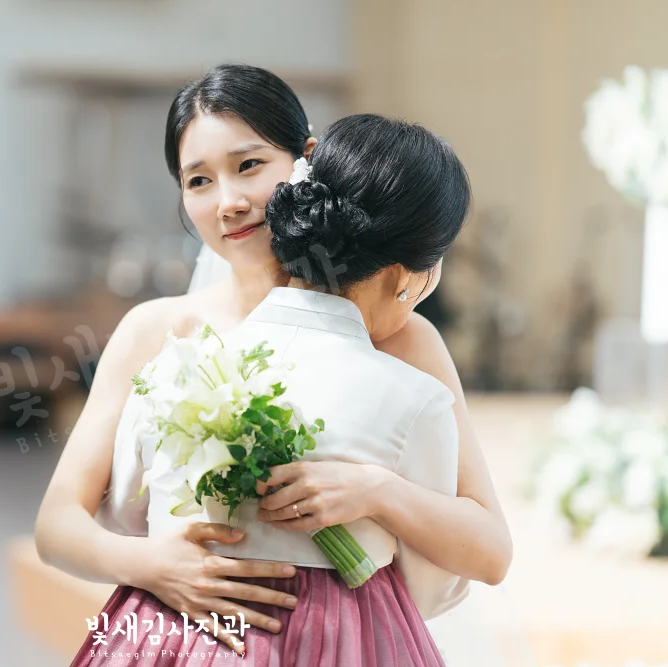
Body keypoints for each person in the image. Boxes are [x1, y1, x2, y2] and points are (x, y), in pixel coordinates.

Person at [35, 65, 512, 661]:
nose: (228, 203)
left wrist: (377, 490)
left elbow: (488, 542)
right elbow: (56, 523)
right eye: (198, 181)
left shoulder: (401, 336)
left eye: (249, 166)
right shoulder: (158, 330)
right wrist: (153, 563)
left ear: (306, 163)